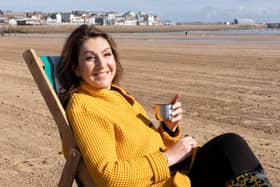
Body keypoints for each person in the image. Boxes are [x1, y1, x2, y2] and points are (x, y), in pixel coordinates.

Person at [57, 24, 272, 187]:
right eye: (89, 58)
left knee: (230, 145)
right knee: (230, 150)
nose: (102, 65)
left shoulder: (116, 95)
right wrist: (170, 157)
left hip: (173, 174)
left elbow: (148, 145)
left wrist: (168, 129)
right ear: (75, 69)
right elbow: (108, 175)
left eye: (106, 54)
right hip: (161, 181)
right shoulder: (84, 106)